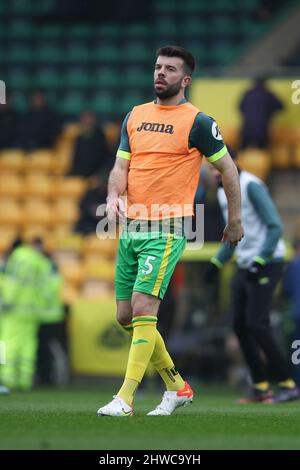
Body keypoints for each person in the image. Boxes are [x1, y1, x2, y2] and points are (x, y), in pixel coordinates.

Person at [97, 45, 244, 417]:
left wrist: (235, 219)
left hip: (167, 227)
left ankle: (125, 398)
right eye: (158, 67)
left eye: (170, 69)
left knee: (145, 309)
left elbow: (228, 169)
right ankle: (177, 387)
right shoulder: (134, 116)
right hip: (131, 227)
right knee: (125, 316)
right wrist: (114, 194)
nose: (160, 73)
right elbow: (120, 167)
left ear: (185, 79)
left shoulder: (198, 122)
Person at [205, 155, 300, 403]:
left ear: (231, 163)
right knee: (239, 325)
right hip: (246, 263)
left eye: (216, 168)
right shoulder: (222, 192)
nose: (214, 174)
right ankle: (260, 387)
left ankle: (287, 383)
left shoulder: (250, 185)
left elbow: (275, 226)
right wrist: (216, 262)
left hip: (268, 262)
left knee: (257, 324)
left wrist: (261, 258)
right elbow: (234, 234)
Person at [0, 238, 62, 391]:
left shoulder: (19, 258)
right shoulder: (40, 261)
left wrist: (6, 301)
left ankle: (7, 380)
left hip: (15, 309)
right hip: (33, 310)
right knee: (28, 344)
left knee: (8, 342)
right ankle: (25, 379)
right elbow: (49, 287)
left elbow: (14, 283)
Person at [239, 77, 283, 149]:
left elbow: (240, 107)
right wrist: (270, 112)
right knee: (263, 152)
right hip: (262, 128)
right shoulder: (268, 94)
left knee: (243, 152)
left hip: (246, 128)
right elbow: (281, 106)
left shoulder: (247, 94)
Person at [68, 110, 112, 178]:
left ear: (94, 121)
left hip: (96, 174)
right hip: (81, 174)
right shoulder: (79, 139)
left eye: (89, 120)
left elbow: (105, 159)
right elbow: (76, 159)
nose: (87, 122)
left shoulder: (100, 138)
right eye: (85, 120)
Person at [282, 238, 300, 386]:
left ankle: (297, 384)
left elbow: (285, 291)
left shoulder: (292, 265)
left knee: (297, 351)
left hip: (297, 314)